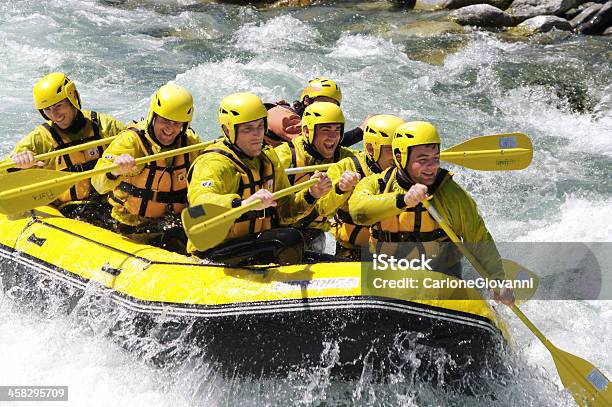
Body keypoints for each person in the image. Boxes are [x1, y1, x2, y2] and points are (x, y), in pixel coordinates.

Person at [348, 121, 514, 305]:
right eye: (423, 160)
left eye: (435, 158)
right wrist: (404, 201)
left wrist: (497, 279)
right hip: (386, 278)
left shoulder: (451, 194)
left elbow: (478, 237)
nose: (431, 167)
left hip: (440, 279)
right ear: (400, 157)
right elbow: (358, 212)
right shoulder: (377, 184)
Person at [186, 92, 332, 266]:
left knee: (326, 254)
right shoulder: (213, 162)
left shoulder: (268, 157)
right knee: (288, 239)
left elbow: (285, 213)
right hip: (216, 252)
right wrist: (242, 204)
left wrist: (311, 194)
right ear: (227, 130)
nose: (257, 135)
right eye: (248, 129)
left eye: (260, 126)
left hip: (255, 245)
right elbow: (200, 204)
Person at [1, 72, 126, 223]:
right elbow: (5, 169)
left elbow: (135, 137)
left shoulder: (103, 126)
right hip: (69, 210)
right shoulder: (41, 138)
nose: (55, 115)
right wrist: (19, 164)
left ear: (73, 100)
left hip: (109, 201)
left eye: (59, 106)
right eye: (47, 110)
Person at [91, 83, 200, 252]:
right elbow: (97, 183)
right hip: (132, 224)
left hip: (174, 222)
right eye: (165, 121)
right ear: (153, 116)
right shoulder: (131, 141)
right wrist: (115, 170)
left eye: (177, 123)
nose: (170, 129)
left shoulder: (190, 143)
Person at [316, 114, 406, 260]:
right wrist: (340, 189)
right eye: (392, 150)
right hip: (352, 251)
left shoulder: (408, 170)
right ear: (371, 148)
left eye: (402, 150)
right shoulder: (346, 166)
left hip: (396, 253)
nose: (399, 157)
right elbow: (322, 210)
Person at [274, 102, 357, 252]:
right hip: (280, 233)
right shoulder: (283, 157)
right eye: (326, 130)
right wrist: (311, 195)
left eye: (337, 130)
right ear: (307, 131)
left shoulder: (345, 158)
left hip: (314, 234)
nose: (333, 137)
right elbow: (278, 214)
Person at [265, 77, 367, 148]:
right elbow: (319, 144)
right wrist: (361, 130)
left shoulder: (306, 120)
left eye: (332, 106)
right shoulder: (284, 117)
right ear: (307, 101)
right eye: (323, 102)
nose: (327, 109)